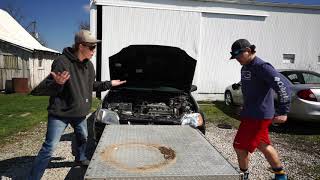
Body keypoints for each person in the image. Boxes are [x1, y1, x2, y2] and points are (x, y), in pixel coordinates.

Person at [28, 29, 126, 180]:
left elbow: (91, 85)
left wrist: (110, 84)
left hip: (79, 114)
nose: (94, 50)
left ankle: (80, 158)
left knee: (83, 138)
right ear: (81, 46)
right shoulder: (61, 62)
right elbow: (50, 88)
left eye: (95, 47)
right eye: (92, 47)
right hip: (60, 114)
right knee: (49, 148)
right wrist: (57, 83)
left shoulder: (89, 66)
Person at [229, 39, 291, 180]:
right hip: (250, 114)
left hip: (258, 116)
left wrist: (283, 111)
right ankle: (281, 176)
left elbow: (283, 86)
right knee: (264, 145)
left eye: (239, 55)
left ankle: (244, 176)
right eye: (235, 57)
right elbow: (252, 90)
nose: (237, 59)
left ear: (249, 50)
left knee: (239, 147)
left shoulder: (262, 66)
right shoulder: (245, 67)